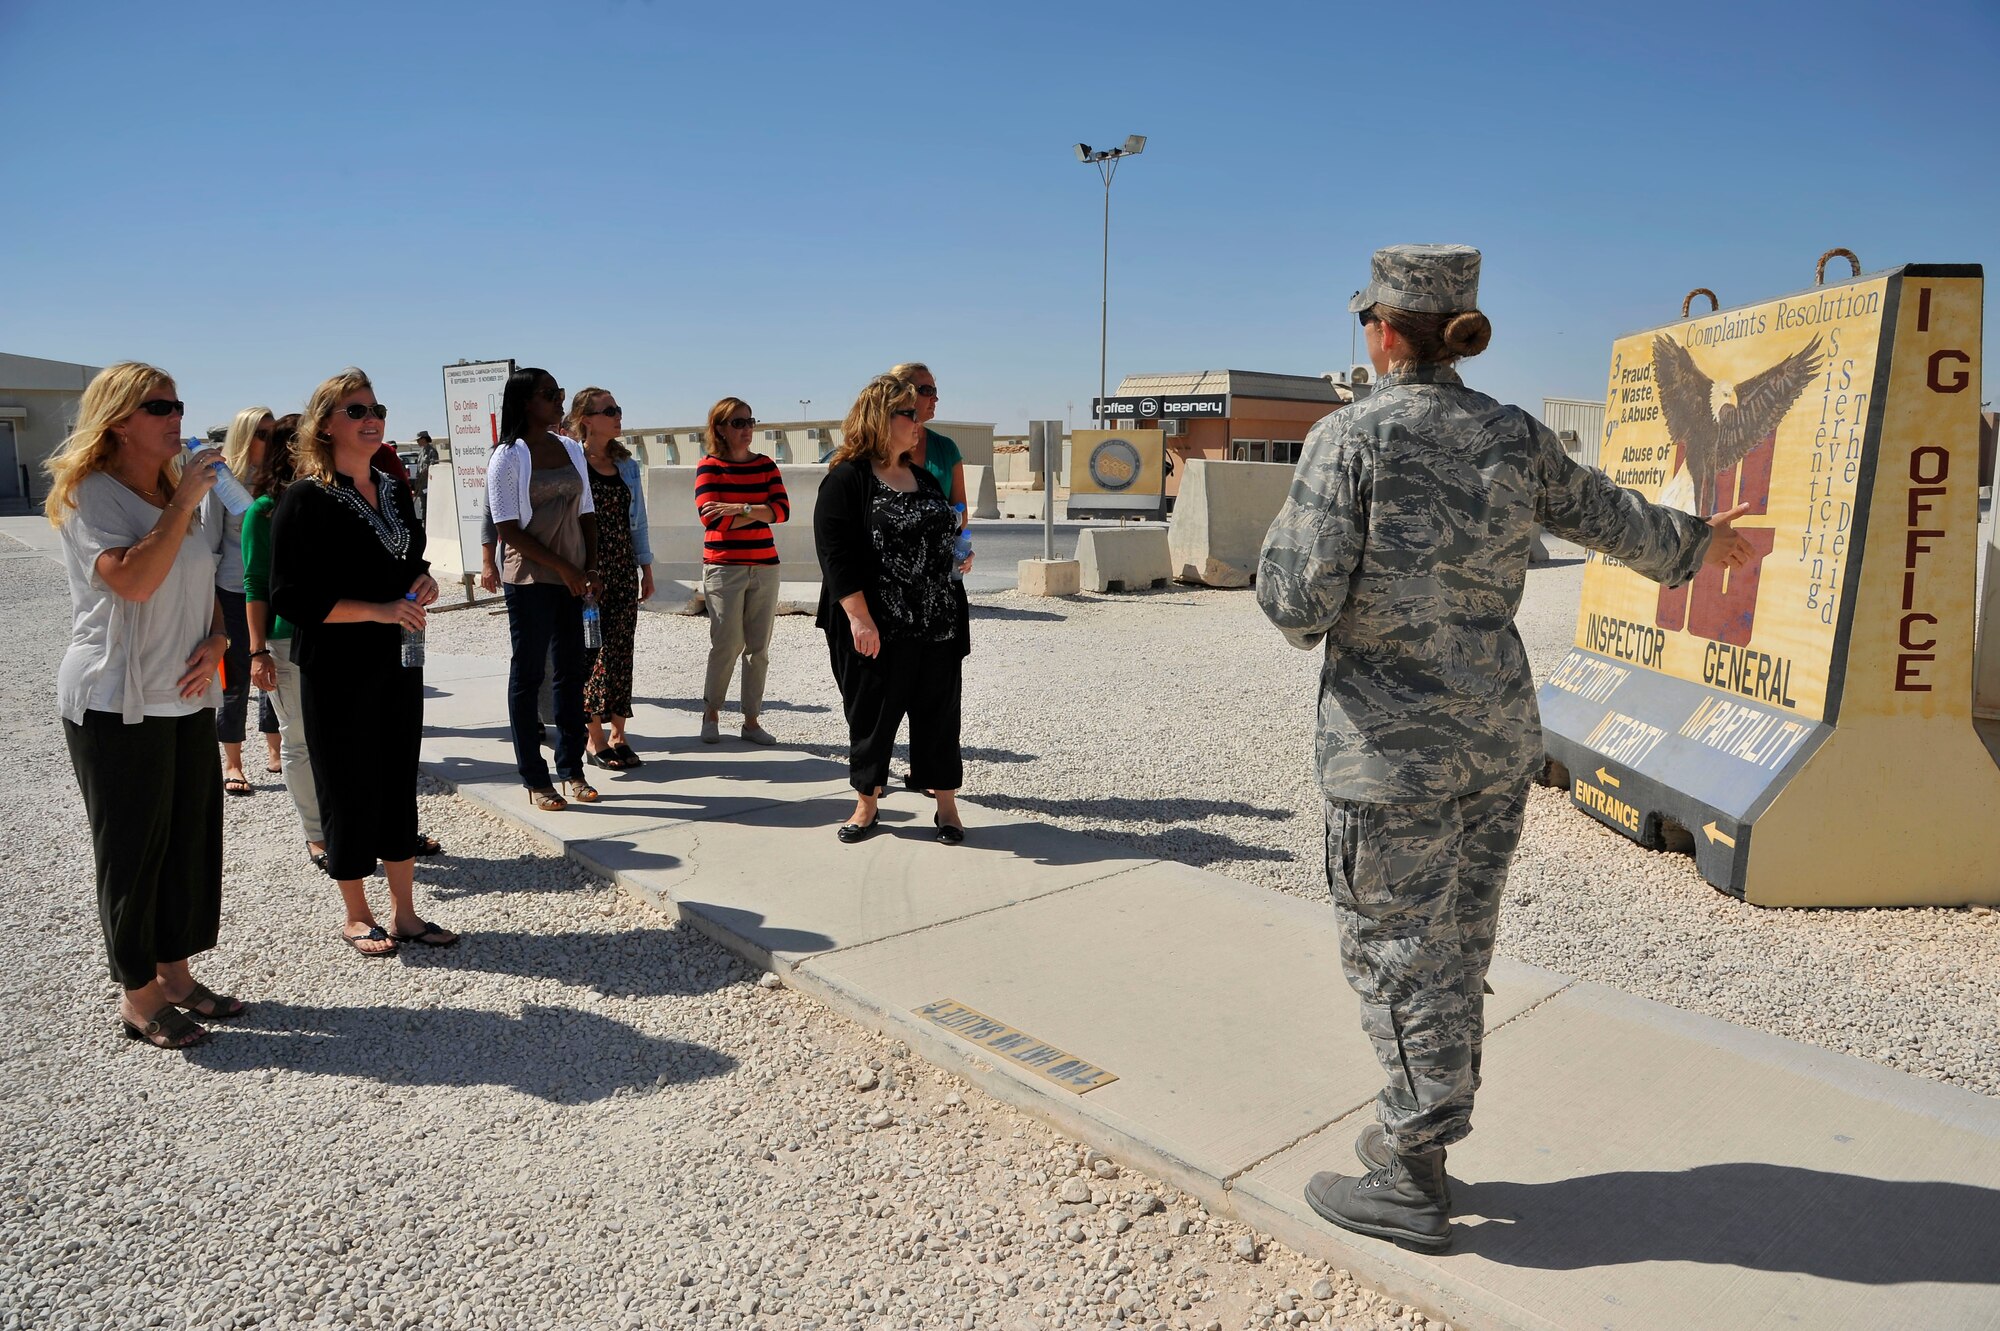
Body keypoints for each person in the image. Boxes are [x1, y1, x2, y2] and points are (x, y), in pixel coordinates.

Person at [1256, 244, 1756, 1251]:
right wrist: (1704, 543)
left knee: (1394, 950)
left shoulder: (1347, 439)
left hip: (1387, 757)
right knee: (1456, 942)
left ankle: (1408, 1163)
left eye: (1365, 318)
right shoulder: (1513, 435)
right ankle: (1422, 1127)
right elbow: (1614, 519)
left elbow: (1295, 603)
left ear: (1384, 331)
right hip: (1490, 744)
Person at [48, 362, 240, 1048]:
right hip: (114, 700)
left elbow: (202, 574)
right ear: (119, 419)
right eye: (160, 406)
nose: (176, 415)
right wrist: (185, 501)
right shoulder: (90, 494)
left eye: (178, 403)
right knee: (133, 849)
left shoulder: (172, 488)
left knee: (188, 842)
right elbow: (132, 581)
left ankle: (177, 975)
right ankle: (138, 996)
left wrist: (219, 634)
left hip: (184, 694)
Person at [271, 368, 456, 957]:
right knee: (346, 782)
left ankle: (405, 913)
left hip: (400, 659)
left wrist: (421, 582)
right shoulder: (304, 499)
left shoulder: (396, 488)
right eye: (356, 410)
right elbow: (291, 598)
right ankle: (356, 912)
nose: (371, 417)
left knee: (398, 777)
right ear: (325, 425)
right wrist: (378, 611)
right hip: (335, 665)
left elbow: (412, 560)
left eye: (376, 407)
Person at [814, 375, 968, 844]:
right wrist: (859, 617)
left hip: (937, 620)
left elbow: (942, 528)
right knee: (872, 717)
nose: (919, 421)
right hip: (878, 624)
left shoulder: (920, 476)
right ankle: (866, 805)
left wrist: (955, 553)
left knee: (940, 714)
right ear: (881, 419)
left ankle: (946, 806)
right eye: (910, 414)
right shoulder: (847, 479)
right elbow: (834, 553)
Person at [486, 367, 599, 809]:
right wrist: (565, 569)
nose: (557, 401)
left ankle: (571, 769)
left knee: (573, 673)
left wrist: (590, 567)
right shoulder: (508, 456)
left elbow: (586, 509)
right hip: (530, 579)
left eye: (560, 393)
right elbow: (508, 529)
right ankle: (535, 779)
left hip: (573, 576)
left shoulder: (570, 447)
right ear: (524, 401)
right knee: (530, 673)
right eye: (549, 394)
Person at [241, 413, 326, 873]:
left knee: (338, 738)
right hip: (285, 642)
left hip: (335, 640)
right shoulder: (263, 511)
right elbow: (254, 584)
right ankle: (316, 833)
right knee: (299, 739)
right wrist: (256, 651)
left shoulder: (333, 498)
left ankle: (349, 824)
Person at [564, 387, 654, 769]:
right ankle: (594, 737)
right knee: (591, 653)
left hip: (622, 568)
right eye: (609, 411)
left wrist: (646, 568)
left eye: (618, 409)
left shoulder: (627, 465)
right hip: (589, 572)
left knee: (621, 651)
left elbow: (639, 522)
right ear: (586, 418)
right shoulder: (571, 463)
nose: (618, 416)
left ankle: (619, 733)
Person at [695, 398, 790, 745]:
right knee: (727, 643)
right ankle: (712, 712)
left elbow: (781, 512)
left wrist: (741, 507)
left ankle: (751, 721)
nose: (747, 429)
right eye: (738, 423)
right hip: (724, 567)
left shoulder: (765, 465)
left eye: (750, 421)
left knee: (758, 647)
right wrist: (756, 510)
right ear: (720, 427)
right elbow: (712, 518)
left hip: (765, 566)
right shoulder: (710, 467)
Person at [215, 406, 275, 796]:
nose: (271, 443)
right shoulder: (221, 480)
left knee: (276, 669)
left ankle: (276, 749)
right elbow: (207, 543)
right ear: (244, 437)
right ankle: (233, 762)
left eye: (274, 434)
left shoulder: (279, 478)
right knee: (236, 677)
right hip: (234, 590)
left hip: (274, 590)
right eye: (263, 434)